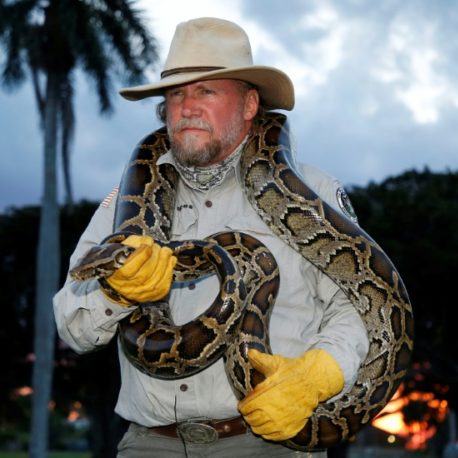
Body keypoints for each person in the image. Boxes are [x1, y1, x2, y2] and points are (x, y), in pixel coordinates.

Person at [53, 17, 368, 458]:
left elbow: (356, 307)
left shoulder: (313, 192)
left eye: (206, 91)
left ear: (249, 104)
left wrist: (324, 371)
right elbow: (71, 325)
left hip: (268, 443)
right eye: (176, 94)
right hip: (151, 444)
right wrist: (114, 294)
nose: (187, 106)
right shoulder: (122, 201)